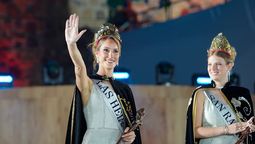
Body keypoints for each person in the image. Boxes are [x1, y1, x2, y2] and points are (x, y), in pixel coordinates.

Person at [64, 14, 142, 144]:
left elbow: (131, 130)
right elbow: (79, 68)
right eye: (106, 50)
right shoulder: (89, 84)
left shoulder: (124, 90)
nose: (111, 55)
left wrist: (131, 136)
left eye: (115, 51)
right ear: (97, 53)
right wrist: (71, 45)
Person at [185, 33, 255, 144]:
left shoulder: (242, 94)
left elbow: (249, 135)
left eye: (218, 64)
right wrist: (226, 129)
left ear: (229, 65)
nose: (212, 68)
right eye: (209, 64)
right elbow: (195, 131)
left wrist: (248, 128)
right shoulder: (201, 93)